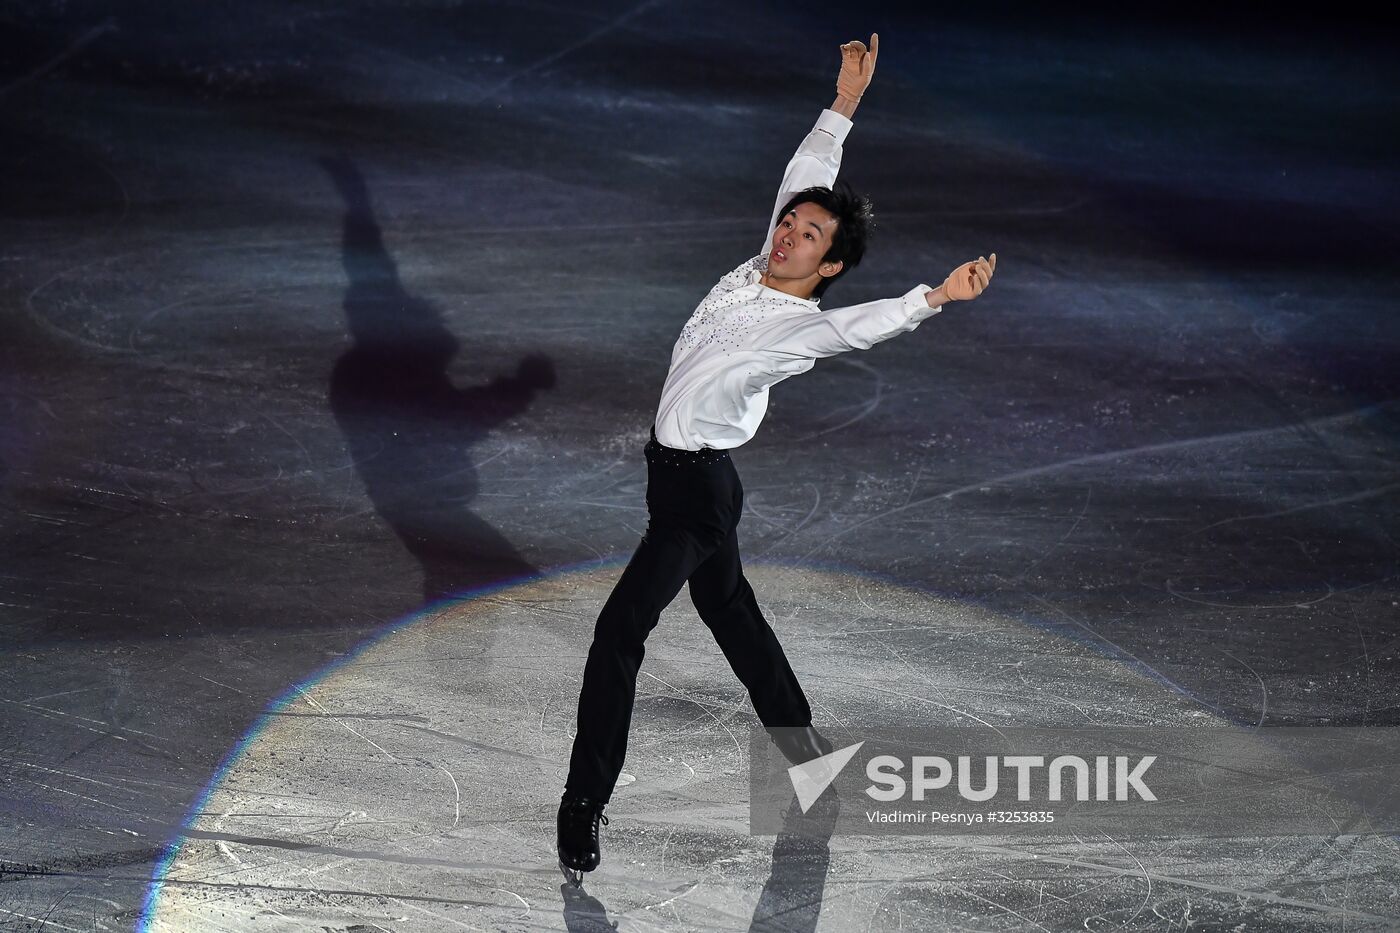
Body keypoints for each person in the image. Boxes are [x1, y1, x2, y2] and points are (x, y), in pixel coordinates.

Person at [557, 33, 997, 882]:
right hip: (683, 481)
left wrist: (932, 298)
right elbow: (806, 171)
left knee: (619, 631)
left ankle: (583, 802)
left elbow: (851, 326)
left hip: (696, 499)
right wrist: (845, 104)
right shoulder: (761, 264)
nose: (788, 233)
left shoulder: (799, 326)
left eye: (806, 235)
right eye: (789, 224)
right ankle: (811, 757)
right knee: (734, 618)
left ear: (828, 263)